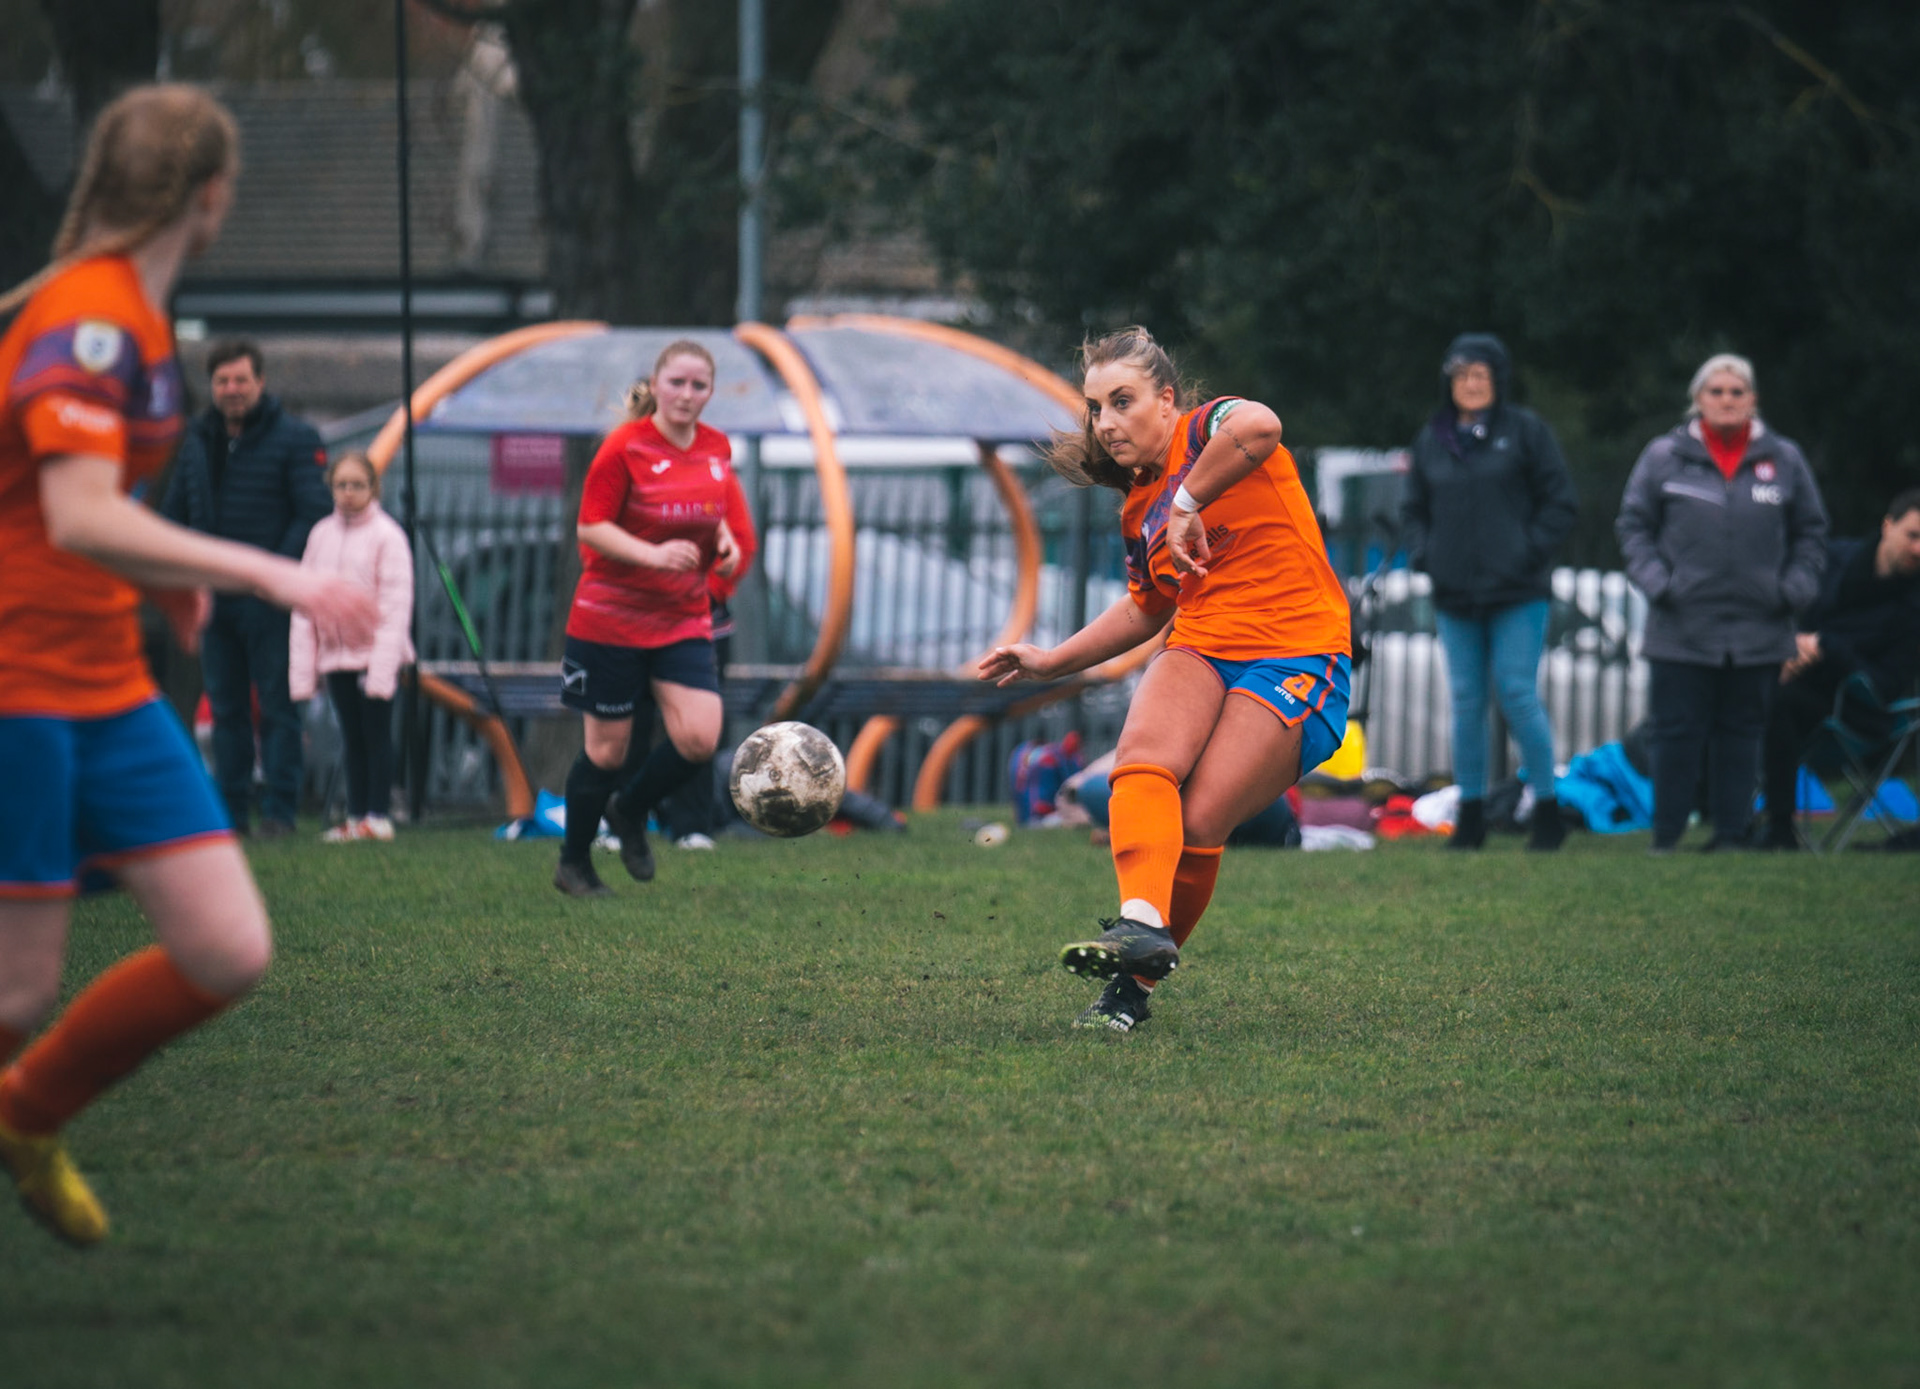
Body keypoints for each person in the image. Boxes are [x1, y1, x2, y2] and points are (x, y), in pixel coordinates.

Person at [0, 84, 376, 1244]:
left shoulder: (149, 328)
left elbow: (108, 512)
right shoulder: (91, 320)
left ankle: (25, 1116)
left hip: (104, 683)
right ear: (211, 195)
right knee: (17, 992)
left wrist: (170, 590)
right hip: (17, 686)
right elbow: (76, 515)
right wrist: (273, 574)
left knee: (226, 946)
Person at [980, 326, 1352, 1032]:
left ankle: (1132, 987)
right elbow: (1148, 607)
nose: (1106, 422)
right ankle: (1141, 924)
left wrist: (1188, 502)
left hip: (1301, 653)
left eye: (1122, 401)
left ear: (1168, 400)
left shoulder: (1211, 428)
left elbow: (1262, 425)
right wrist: (1053, 659)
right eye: (1096, 408)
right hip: (1204, 644)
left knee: (1204, 817)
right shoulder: (1137, 506)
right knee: (1142, 761)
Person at [1616, 352, 1827, 853]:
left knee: (1742, 733)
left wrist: (1792, 589)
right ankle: (1665, 837)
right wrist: (1658, 583)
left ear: (1753, 400)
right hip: (1680, 627)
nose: (1727, 400)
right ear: (1697, 401)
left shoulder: (1785, 460)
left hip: (1759, 628)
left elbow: (1811, 533)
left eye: (1737, 392)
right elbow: (1632, 526)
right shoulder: (1663, 456)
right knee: (1675, 735)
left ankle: (1730, 835)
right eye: (1716, 391)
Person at [551, 340, 740, 898]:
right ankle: (574, 864)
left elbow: (713, 512)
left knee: (701, 737)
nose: (686, 395)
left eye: (698, 385)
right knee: (606, 751)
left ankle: (629, 810)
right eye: (676, 383)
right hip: (610, 617)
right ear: (655, 385)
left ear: (710, 392)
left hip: (682, 614)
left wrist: (724, 540)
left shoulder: (717, 447)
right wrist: (653, 553)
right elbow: (591, 527)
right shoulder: (624, 447)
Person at [1401, 333, 1579, 851]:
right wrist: (1426, 552)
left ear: (1498, 381)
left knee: (1518, 693)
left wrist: (1526, 551)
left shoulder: (1526, 432)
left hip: (1518, 591)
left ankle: (1548, 810)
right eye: (1461, 376)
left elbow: (1560, 503)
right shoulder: (1433, 438)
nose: (1471, 385)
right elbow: (1415, 510)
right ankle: (1472, 814)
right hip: (1455, 593)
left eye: (1480, 375)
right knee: (1465, 700)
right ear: (1449, 383)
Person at [161, 337, 331, 837]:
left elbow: (311, 513)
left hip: (269, 601)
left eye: (241, 380)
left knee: (279, 707)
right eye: (222, 381)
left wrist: (269, 575)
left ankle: (279, 813)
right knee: (226, 710)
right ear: (211, 386)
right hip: (214, 599)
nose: (232, 389)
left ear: (260, 382)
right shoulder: (196, 439)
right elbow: (175, 514)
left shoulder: (296, 438)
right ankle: (229, 815)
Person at [1758, 488, 1920, 848]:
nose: (1918, 550)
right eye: (1913, 535)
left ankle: (1780, 828)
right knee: (1745, 688)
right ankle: (1727, 820)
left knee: (1778, 703)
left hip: (1856, 713)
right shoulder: (1834, 559)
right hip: (1795, 682)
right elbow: (1788, 610)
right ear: (1887, 526)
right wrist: (1789, 647)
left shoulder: (1912, 609)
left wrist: (1826, 647)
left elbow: (1885, 686)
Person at [289, 451, 416, 843]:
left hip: (373, 655)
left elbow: (395, 607)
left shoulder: (388, 536)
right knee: (351, 737)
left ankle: (378, 814)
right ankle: (357, 814)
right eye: (341, 485)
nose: (348, 493)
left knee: (376, 735)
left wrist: (381, 669)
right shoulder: (320, 535)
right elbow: (304, 602)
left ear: (373, 488)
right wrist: (304, 672)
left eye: (357, 485)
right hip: (336, 657)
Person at [655, 462, 757, 851]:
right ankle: (620, 818)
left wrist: (705, 592)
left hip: (702, 627)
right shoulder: (627, 468)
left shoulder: (718, 478)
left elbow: (742, 544)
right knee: (624, 722)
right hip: (636, 618)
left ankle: (691, 824)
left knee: (697, 727)